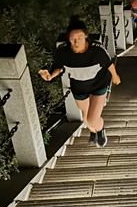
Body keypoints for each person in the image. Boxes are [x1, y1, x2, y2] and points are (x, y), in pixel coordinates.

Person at [38, 17, 121, 147]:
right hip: (79, 87)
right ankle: (93, 131)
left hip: (98, 84)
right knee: (86, 116)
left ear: (86, 36)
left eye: (80, 38)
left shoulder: (97, 50)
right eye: (73, 39)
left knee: (92, 119)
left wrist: (115, 77)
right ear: (68, 39)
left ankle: (99, 130)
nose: (76, 42)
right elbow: (59, 67)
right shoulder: (63, 52)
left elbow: (108, 64)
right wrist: (49, 76)